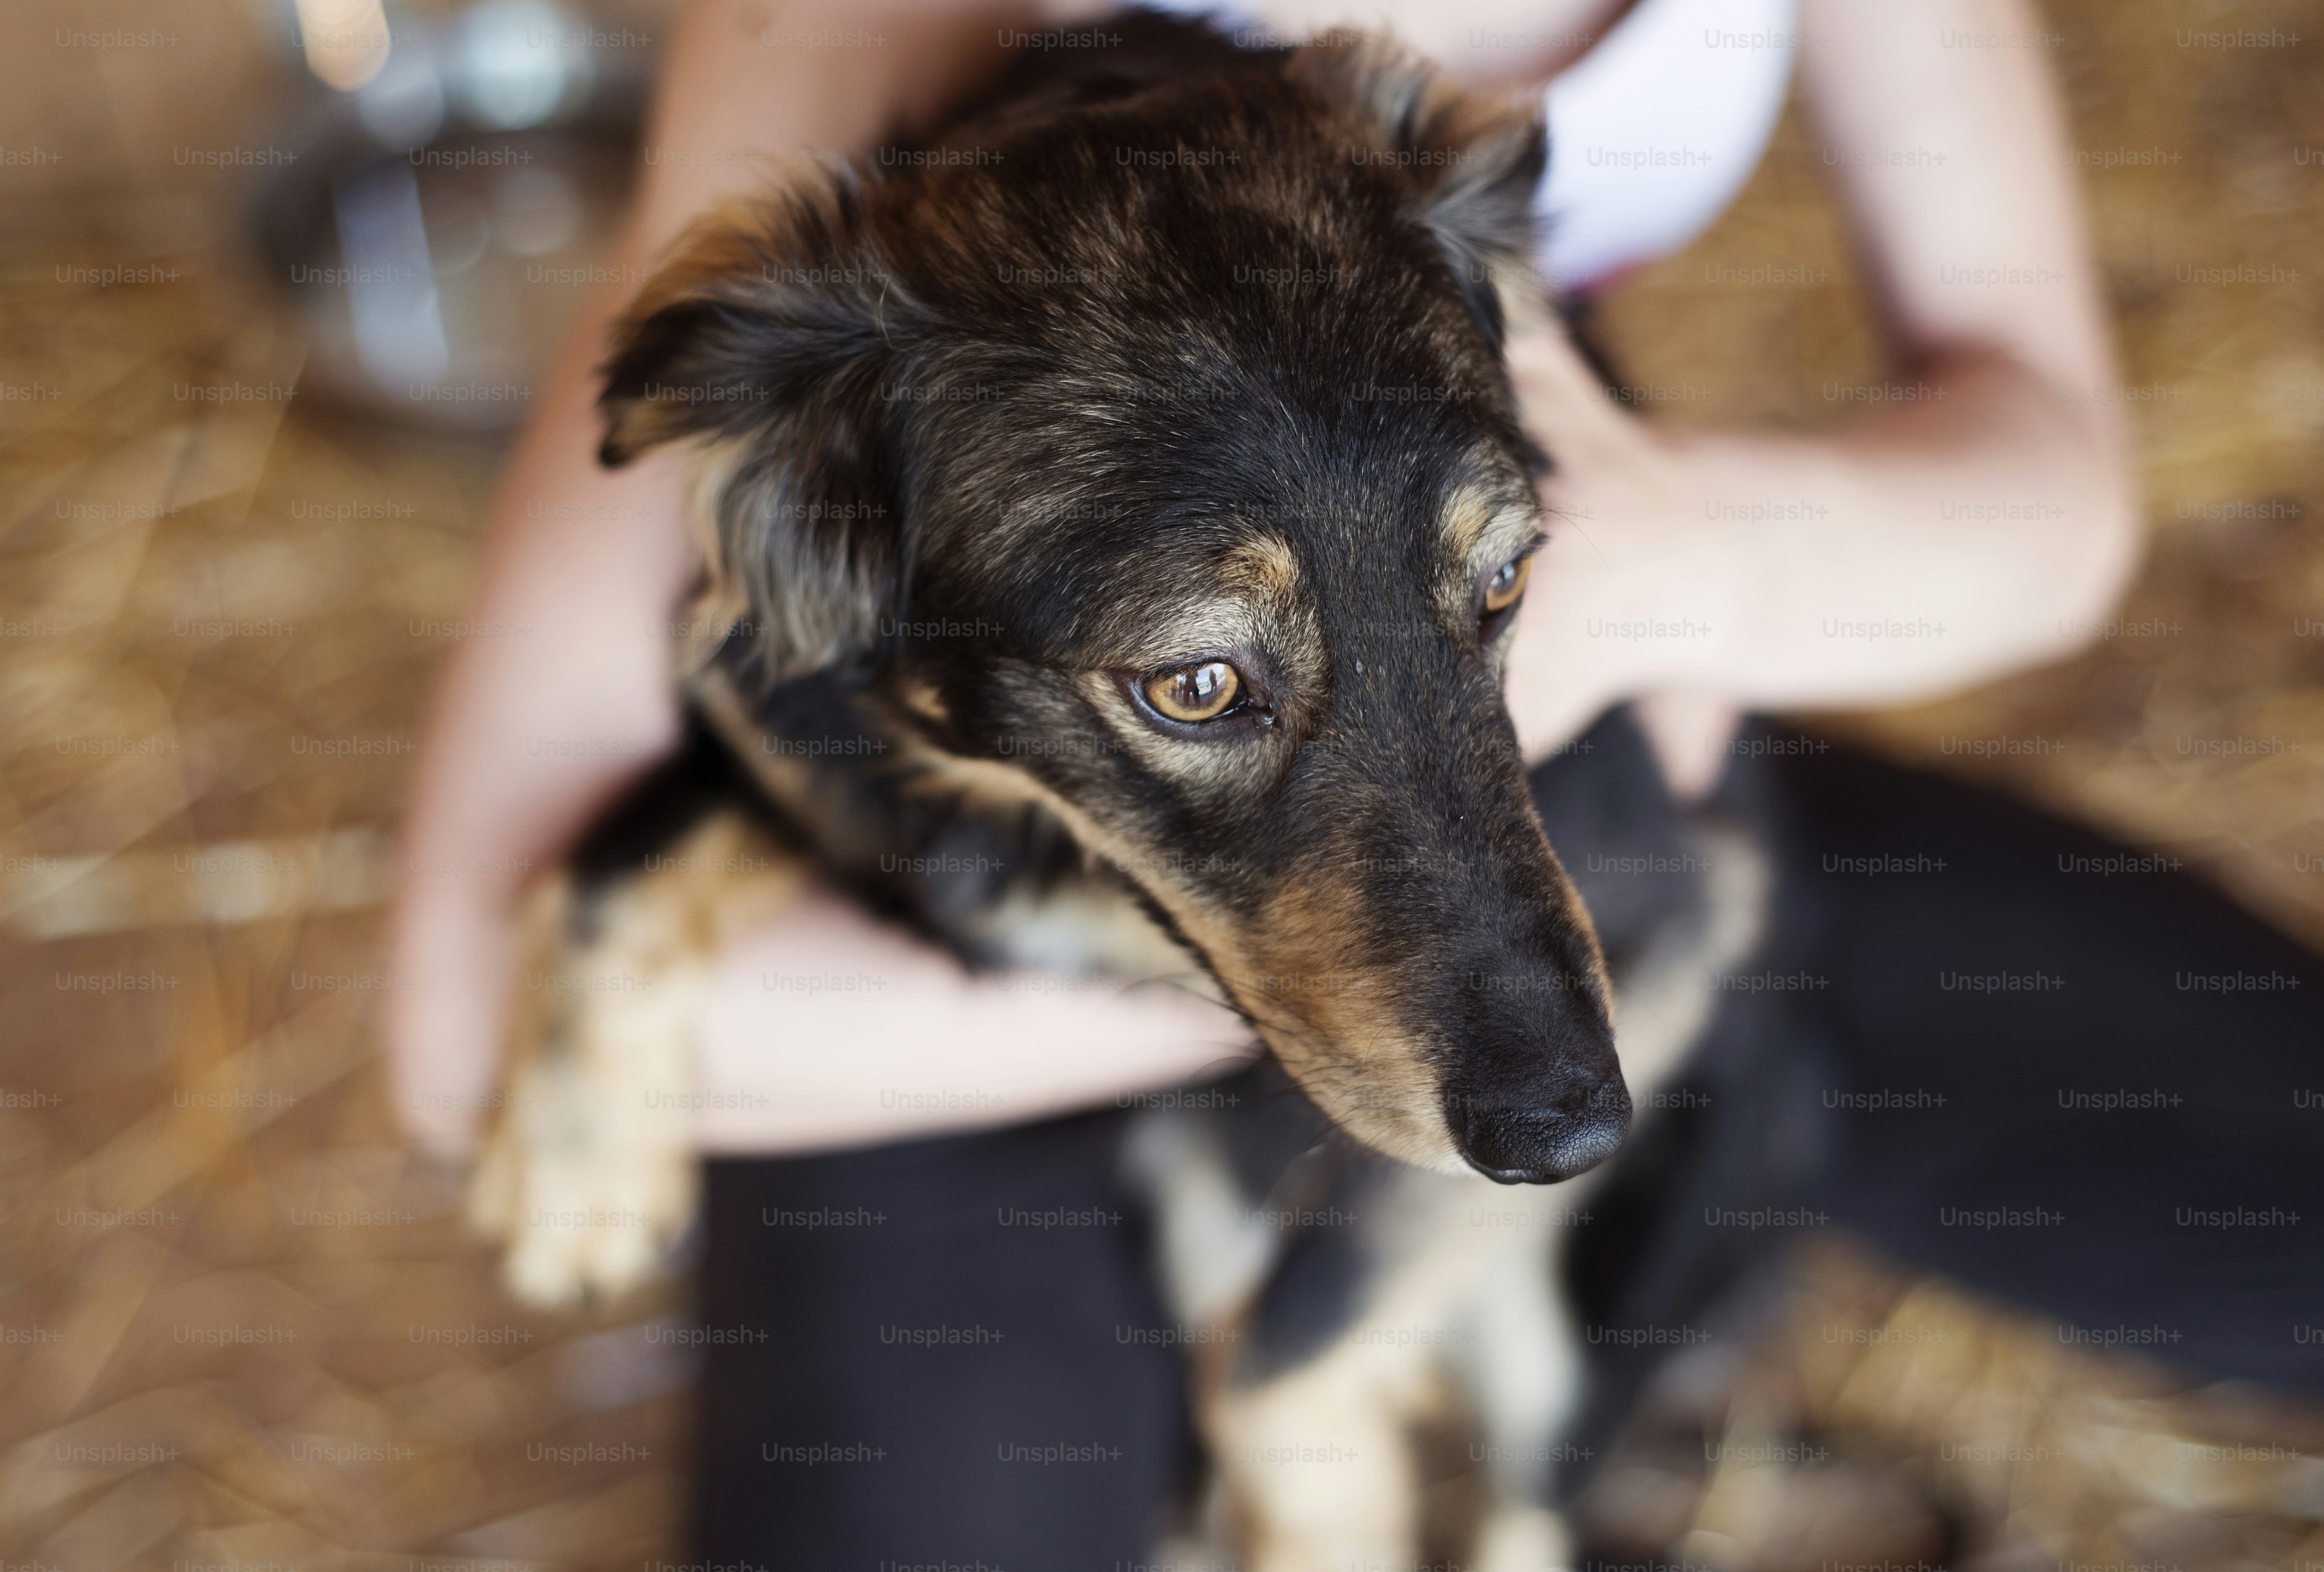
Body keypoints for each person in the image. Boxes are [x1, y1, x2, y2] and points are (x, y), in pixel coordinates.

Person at [387, 0, 2144, 1560]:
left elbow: (2061, 503)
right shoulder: (843, 318)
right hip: (927, 1035)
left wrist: (1670, 560)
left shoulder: (1446, 295)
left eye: (1496, 582)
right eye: (1205, 679)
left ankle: (1586, 1454)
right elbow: (468, 1031)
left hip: (1638, 761)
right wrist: (629, 923)